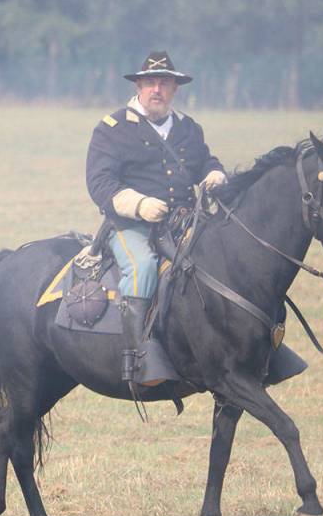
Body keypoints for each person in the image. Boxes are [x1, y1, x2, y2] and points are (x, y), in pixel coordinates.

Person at [86, 51, 227, 386]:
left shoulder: (188, 128)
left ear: (175, 88)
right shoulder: (113, 128)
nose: (157, 89)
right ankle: (138, 358)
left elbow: (204, 162)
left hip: (185, 221)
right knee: (143, 268)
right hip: (130, 225)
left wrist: (214, 173)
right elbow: (99, 182)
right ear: (138, 86)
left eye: (164, 83)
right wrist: (138, 204)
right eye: (150, 82)